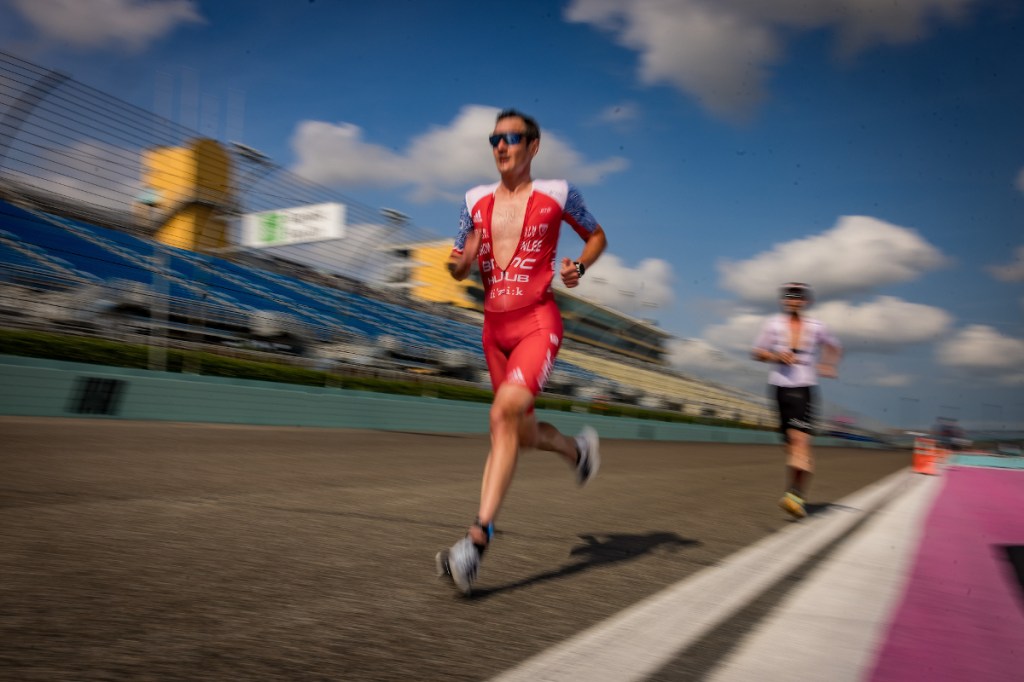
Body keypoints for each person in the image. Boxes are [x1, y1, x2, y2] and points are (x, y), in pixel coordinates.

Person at [436, 109, 608, 595]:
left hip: (537, 322)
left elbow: (596, 236)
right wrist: (461, 263)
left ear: (534, 146)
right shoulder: (473, 200)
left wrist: (580, 267)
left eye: (512, 138)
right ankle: (578, 452)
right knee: (521, 431)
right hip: (494, 332)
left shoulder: (558, 193)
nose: (501, 145)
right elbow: (456, 263)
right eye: (495, 138)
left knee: (501, 416)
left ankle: (475, 542)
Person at [751, 282, 842, 519]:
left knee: (798, 440)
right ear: (784, 300)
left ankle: (794, 495)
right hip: (779, 389)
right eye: (789, 296)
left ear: (805, 301)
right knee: (791, 446)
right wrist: (774, 355)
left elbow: (834, 346)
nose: (793, 300)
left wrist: (828, 364)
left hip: (804, 388)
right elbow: (757, 352)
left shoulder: (816, 326)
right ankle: (798, 489)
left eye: (798, 296)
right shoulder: (772, 324)